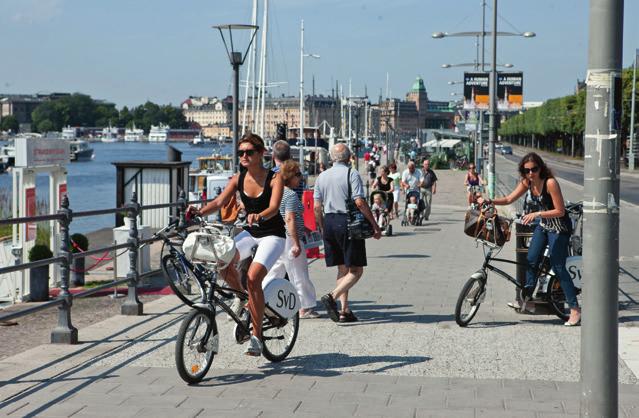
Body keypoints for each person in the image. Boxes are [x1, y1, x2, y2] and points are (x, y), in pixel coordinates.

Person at [194, 133, 286, 356]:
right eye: (241, 152)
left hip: (272, 235)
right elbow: (218, 202)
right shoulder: (238, 178)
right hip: (250, 232)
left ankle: (256, 337)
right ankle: (241, 296)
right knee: (221, 260)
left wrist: (260, 215)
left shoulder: (274, 178)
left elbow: (273, 208)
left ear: (261, 153)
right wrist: (197, 212)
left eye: (249, 152)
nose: (244, 156)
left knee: (254, 278)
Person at [477, 152, 580, 326]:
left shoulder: (550, 183)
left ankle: (575, 309)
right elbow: (510, 198)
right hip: (545, 225)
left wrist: (537, 214)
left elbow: (561, 211)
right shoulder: (527, 182)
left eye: (534, 169)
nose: (531, 173)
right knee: (531, 259)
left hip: (560, 228)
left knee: (558, 265)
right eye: (527, 170)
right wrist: (490, 201)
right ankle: (527, 299)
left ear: (541, 168)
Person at [314, 143, 381, 323]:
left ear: (332, 158)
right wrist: (374, 224)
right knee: (356, 270)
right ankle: (332, 296)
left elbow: (316, 207)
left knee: (342, 268)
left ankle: (345, 310)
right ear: (349, 157)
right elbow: (359, 202)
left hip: (329, 222)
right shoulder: (352, 174)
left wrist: (322, 227)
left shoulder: (322, 176)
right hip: (348, 223)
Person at [264, 160, 320, 319]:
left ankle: (261, 299)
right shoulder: (290, 195)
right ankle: (304, 307)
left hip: (277, 236)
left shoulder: (275, 192)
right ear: (290, 177)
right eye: (298, 175)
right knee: (298, 273)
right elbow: (290, 219)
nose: (300, 178)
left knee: (275, 271)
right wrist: (296, 243)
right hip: (290, 237)